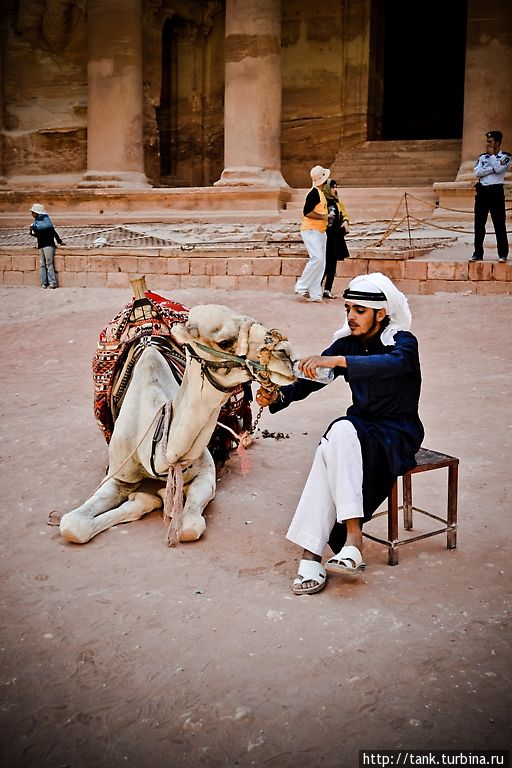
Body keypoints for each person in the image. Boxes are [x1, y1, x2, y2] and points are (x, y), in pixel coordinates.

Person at [255, 272, 424, 596]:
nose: (350, 316)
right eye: (348, 308)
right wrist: (279, 396)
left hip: (397, 432)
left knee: (336, 439)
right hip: (360, 428)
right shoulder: (347, 342)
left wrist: (340, 360)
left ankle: (314, 553)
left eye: (359, 310)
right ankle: (350, 540)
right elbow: (313, 376)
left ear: (381, 313)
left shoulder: (402, 342)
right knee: (340, 434)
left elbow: (390, 364)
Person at [470, 130, 510, 263]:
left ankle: (503, 254)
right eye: (487, 142)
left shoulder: (505, 157)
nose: (487, 145)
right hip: (482, 192)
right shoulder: (482, 157)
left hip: (496, 192)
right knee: (479, 224)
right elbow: (477, 172)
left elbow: (500, 169)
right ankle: (478, 253)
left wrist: (493, 158)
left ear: (497, 143)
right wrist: (491, 169)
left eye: (490, 142)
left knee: (499, 224)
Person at [294, 165, 330, 303]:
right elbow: (307, 212)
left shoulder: (320, 193)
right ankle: (301, 286)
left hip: (320, 231)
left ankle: (315, 294)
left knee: (321, 263)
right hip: (311, 230)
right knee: (317, 259)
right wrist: (324, 217)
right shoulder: (314, 193)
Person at [322, 179, 350, 299]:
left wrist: (346, 222)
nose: (335, 189)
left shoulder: (337, 202)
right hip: (324, 236)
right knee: (323, 263)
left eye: (336, 187)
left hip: (335, 236)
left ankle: (328, 289)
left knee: (332, 264)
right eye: (333, 187)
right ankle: (315, 287)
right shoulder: (322, 202)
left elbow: (344, 214)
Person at [29, 203, 64, 288]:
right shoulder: (36, 223)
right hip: (41, 245)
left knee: (49, 264)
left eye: (33, 212)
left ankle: (52, 282)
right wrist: (31, 230)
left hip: (48, 245)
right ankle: (44, 282)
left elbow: (53, 232)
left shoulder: (46, 222)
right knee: (42, 264)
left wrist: (59, 241)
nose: (32, 214)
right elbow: (38, 235)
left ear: (37, 213)